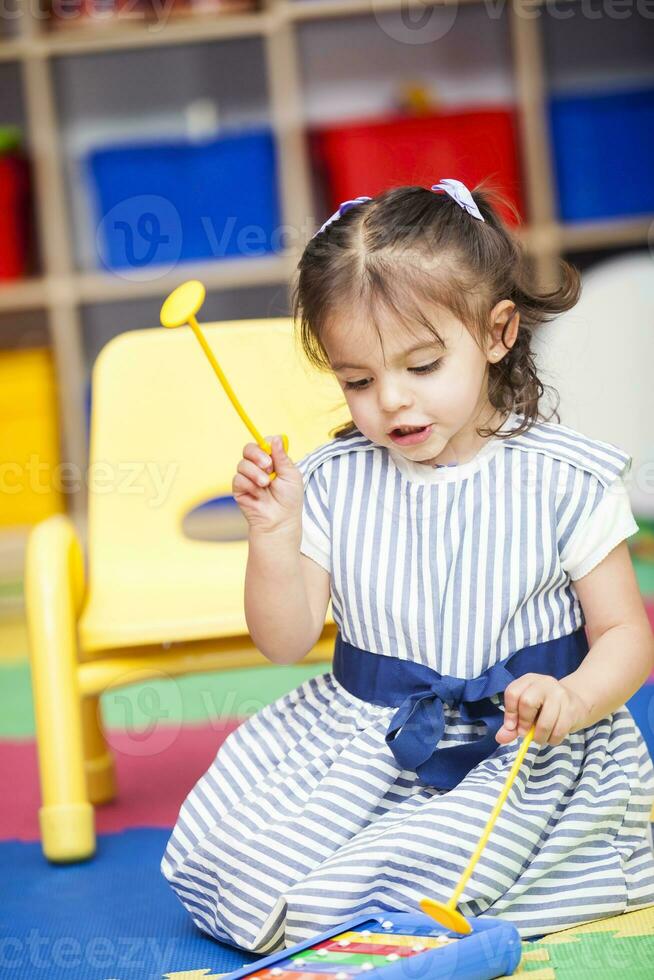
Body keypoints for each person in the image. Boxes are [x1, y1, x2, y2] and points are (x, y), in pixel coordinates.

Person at [161, 178, 654, 953]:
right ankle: (363, 916)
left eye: (422, 366)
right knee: (232, 860)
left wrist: (575, 695)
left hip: (516, 753)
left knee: (431, 865)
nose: (391, 402)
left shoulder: (566, 478)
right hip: (363, 746)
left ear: (497, 333)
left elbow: (626, 631)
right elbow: (285, 642)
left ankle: (391, 918)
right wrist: (272, 535)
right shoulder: (331, 480)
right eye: (358, 380)